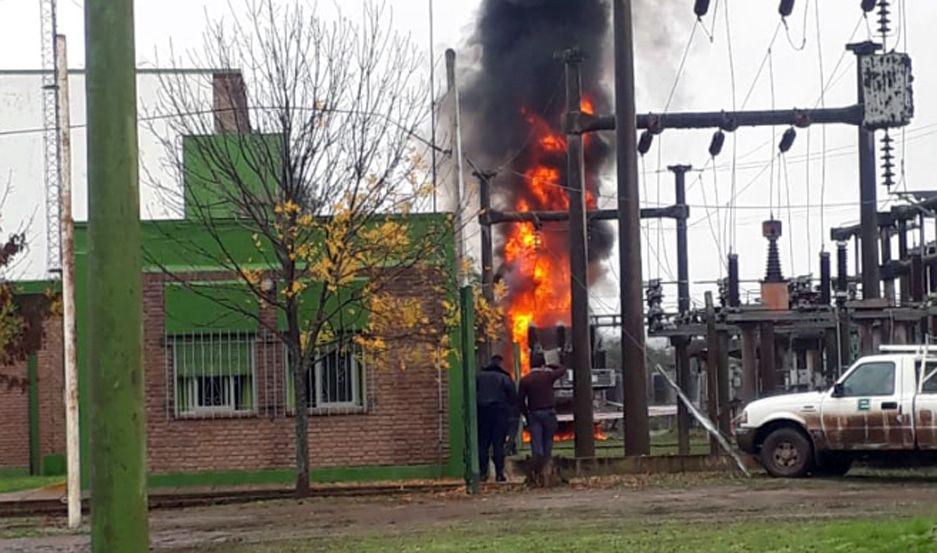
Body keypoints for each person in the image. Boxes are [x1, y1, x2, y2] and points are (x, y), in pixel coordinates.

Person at [518, 352, 566, 484]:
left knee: (536, 441)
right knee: (548, 440)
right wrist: (550, 365)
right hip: (548, 412)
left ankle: (536, 471)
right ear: (542, 365)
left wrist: (527, 415)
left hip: (534, 413)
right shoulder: (548, 376)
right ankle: (546, 468)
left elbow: (520, 401)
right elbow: (562, 369)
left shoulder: (525, 380)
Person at [476, 354, 518, 482]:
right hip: (500, 414)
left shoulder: (478, 377)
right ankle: (499, 473)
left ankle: (483, 473)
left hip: (482, 413)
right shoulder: (504, 378)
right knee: (498, 444)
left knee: (483, 444)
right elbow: (513, 398)